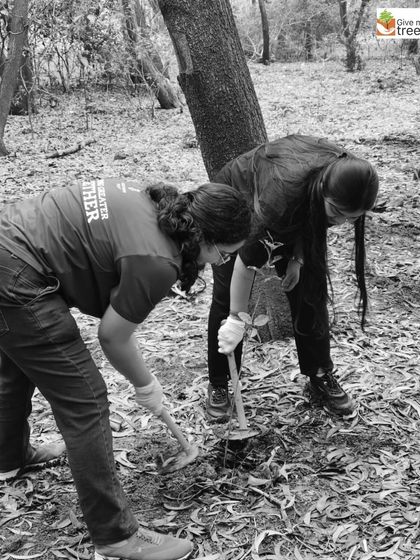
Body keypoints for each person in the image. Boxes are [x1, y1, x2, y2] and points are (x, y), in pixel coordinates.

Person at [0, 178, 251, 560]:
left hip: (9, 240)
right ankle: (116, 538)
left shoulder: (155, 204)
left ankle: (7, 457)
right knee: (85, 400)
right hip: (17, 274)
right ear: (205, 235)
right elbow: (113, 336)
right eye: (222, 252)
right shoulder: (157, 259)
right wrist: (145, 384)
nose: (220, 261)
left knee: (15, 360)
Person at [206, 134, 379, 420]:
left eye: (351, 218)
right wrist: (237, 319)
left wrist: (297, 259)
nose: (339, 222)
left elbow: (310, 215)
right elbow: (244, 265)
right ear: (323, 188)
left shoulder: (349, 176)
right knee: (226, 299)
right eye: (337, 213)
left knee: (311, 286)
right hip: (236, 198)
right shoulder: (279, 201)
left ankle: (320, 374)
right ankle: (220, 383)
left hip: (291, 198)